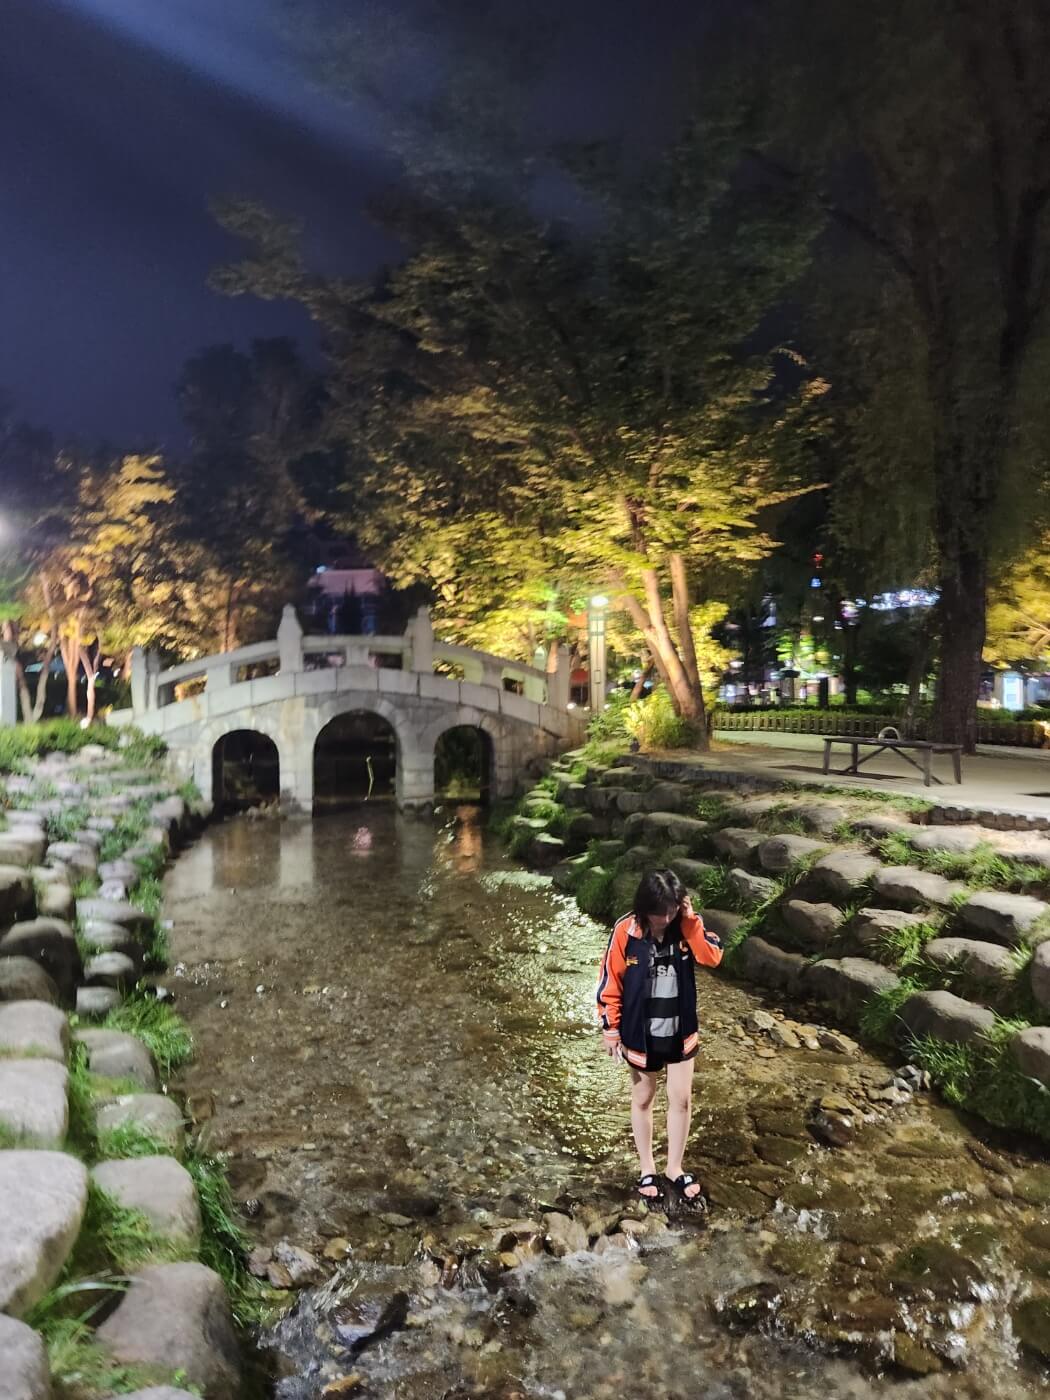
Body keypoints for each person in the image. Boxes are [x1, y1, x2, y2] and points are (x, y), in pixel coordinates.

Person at [595, 869, 723, 1209]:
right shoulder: (626, 930)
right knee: (643, 1097)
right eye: (658, 912)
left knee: (681, 1098)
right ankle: (647, 1168)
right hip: (640, 1032)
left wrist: (690, 921)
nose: (665, 919)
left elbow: (712, 956)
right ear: (644, 906)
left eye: (671, 910)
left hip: (680, 1031)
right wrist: (610, 1028)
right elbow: (610, 980)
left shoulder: (686, 925)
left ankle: (674, 1167)